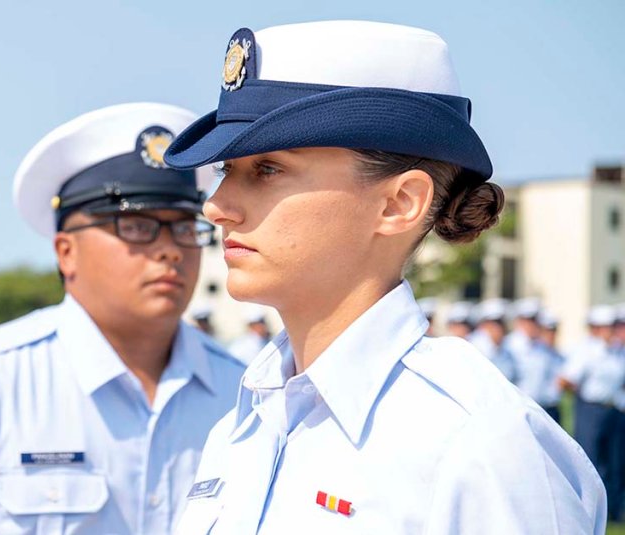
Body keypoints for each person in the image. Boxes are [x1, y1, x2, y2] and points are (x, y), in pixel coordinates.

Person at [161, 20, 605, 533]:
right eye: (225, 172)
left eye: (267, 169)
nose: (216, 207)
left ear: (398, 203)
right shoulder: (246, 420)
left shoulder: (477, 444)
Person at [0, 102, 246, 534]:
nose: (169, 249)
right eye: (135, 226)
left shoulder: (245, 397)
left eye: (185, 227)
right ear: (66, 252)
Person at [561, 305, 624, 521]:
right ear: (596, 329)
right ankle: (587, 511)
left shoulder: (617, 350)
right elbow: (566, 380)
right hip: (591, 408)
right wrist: (585, 395)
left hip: (613, 409)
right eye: (609, 326)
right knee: (590, 460)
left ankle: (613, 510)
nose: (613, 330)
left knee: (614, 461)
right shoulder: (587, 351)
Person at [468, 298, 518, 382]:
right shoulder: (473, 349)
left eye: (501, 323)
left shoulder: (507, 351)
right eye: (494, 322)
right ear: (482, 325)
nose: (498, 328)